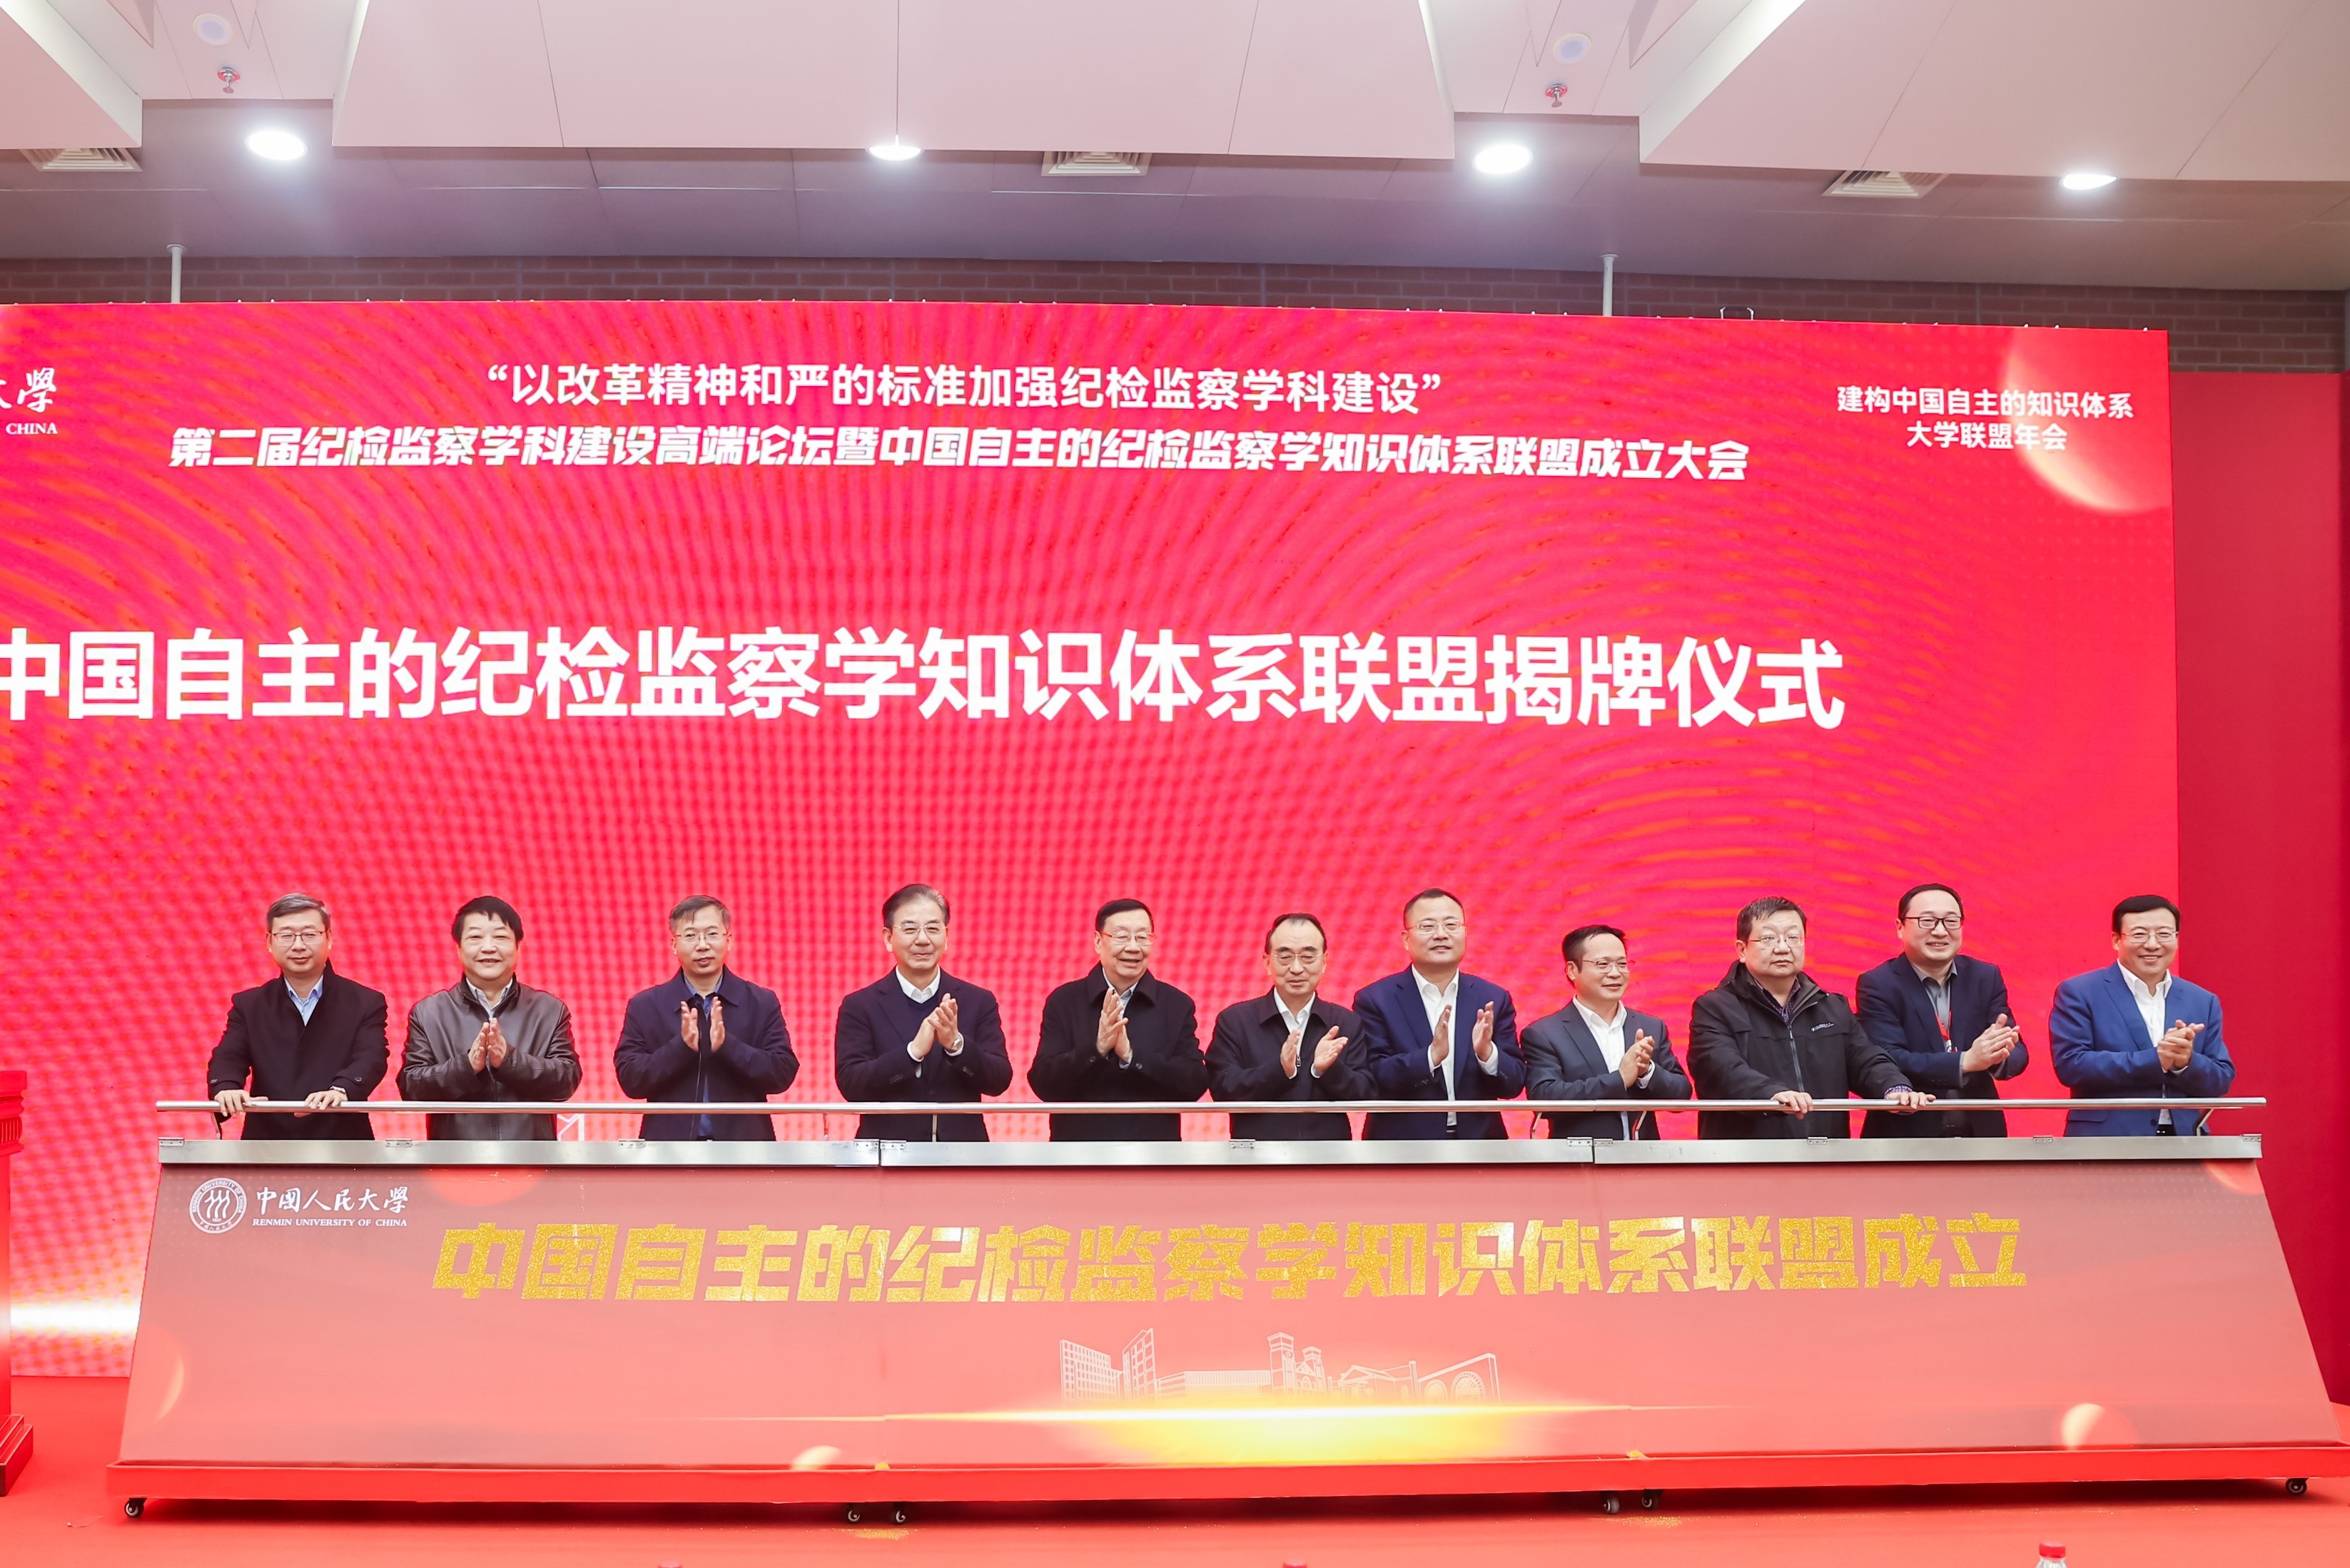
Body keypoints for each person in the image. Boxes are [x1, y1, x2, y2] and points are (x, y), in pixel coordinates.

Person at [1687, 896, 1933, 1139]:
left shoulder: (1832, 1007)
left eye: (1793, 937)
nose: (1783, 948)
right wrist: (1770, 1094)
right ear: (1742, 949)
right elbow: (1721, 1070)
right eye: (1769, 938)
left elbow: (1866, 1060)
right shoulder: (1715, 1008)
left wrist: (1894, 1087)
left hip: (1824, 1153)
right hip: (1749, 1156)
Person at [833, 884, 1011, 1141]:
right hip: (888, 1153)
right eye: (910, 929)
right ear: (888, 938)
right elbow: (852, 1085)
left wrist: (956, 1046)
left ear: (946, 937)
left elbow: (999, 1080)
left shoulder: (978, 1001)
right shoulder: (860, 1005)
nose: (923, 939)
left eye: (933, 929)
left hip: (963, 1153)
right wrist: (912, 1053)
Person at [397, 895, 582, 1140]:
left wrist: (509, 1061)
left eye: (500, 937)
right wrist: (466, 1067)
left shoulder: (549, 1010)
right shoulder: (428, 1012)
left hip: (531, 1157)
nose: (488, 947)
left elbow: (567, 1081)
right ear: (458, 948)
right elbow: (411, 1087)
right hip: (454, 1158)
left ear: (518, 947)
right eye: (475, 937)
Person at [614, 894, 797, 1140]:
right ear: (674, 944)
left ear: (728, 940)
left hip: (745, 1150)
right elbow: (630, 1081)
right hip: (668, 1151)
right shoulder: (646, 1005)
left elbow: (782, 1074)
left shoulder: (761, 1001)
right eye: (690, 936)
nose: (702, 945)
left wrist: (728, 1046)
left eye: (712, 934)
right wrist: (680, 1048)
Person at [207, 893, 388, 1140]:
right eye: (287, 936)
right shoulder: (249, 1005)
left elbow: (371, 1057)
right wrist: (227, 1087)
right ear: (269, 942)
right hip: (268, 1142)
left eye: (310, 935)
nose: (299, 946)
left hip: (342, 1138)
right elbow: (229, 1056)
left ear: (329, 938)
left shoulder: (365, 1002)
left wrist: (342, 1090)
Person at [2050, 895, 2234, 1135]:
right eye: (2139, 934)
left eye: (2164, 934)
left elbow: (2221, 1078)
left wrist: (2185, 1062)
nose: (2152, 944)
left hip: (2184, 1142)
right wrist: (2155, 1059)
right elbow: (2072, 1066)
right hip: (2105, 1141)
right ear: (2116, 940)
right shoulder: (2079, 992)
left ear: (2177, 939)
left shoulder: (2202, 1000)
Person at [1856, 884, 2027, 1138]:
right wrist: (1965, 1062)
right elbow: (1887, 1056)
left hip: (1980, 1133)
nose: (1940, 931)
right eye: (1927, 921)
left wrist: (1999, 1054)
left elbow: (2018, 1051)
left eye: (1951, 921)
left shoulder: (1984, 976)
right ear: (1900, 927)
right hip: (1907, 1132)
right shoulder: (1879, 983)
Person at [1028, 899, 1205, 1140]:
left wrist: (1132, 1056)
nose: (1133, 947)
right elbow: (1043, 1084)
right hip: (1077, 1152)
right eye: (1121, 936)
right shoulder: (1064, 1001)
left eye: (1142, 937)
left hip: (1155, 1153)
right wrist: (1097, 1049)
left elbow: (1194, 1084)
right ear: (1098, 942)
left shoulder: (1176, 1004)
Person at [1355, 889, 1525, 1140]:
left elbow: (1514, 1083)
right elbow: (1372, 1077)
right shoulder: (1375, 999)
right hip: (1402, 1146)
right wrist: (1430, 1057)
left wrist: (1487, 1054)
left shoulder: (1493, 998)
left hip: (1480, 1145)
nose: (1441, 934)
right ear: (1406, 939)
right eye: (1427, 926)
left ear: (1465, 933)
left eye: (1451, 925)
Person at [1205, 913, 1372, 1140]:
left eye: (1308, 957)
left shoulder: (1345, 1022)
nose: (1296, 968)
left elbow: (1365, 1095)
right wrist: (1280, 1070)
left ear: (1324, 962)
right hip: (1256, 1154)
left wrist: (1327, 1071)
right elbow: (1222, 1090)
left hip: (1329, 1154)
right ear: (1267, 963)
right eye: (1285, 957)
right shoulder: (1235, 1020)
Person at [1521, 924, 1690, 1140]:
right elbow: (1544, 1098)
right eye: (1603, 964)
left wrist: (1647, 1071)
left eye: (1622, 964)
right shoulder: (1545, 1033)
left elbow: (1682, 1095)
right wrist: (1619, 1080)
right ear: (1572, 970)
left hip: (1643, 1157)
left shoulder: (1651, 1027)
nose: (1615, 973)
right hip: (1580, 1157)